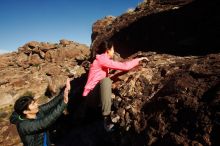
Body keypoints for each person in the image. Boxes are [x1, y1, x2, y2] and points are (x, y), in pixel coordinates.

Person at [82, 41, 148, 131]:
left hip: (91, 95)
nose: (114, 52)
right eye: (113, 49)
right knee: (106, 81)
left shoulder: (101, 59)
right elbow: (124, 66)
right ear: (108, 50)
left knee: (106, 80)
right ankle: (106, 119)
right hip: (91, 97)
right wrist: (138, 60)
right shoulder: (102, 59)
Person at [10, 78, 71, 146]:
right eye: (33, 104)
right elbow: (45, 122)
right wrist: (64, 102)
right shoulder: (24, 125)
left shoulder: (37, 112)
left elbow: (50, 104)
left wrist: (64, 92)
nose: (37, 105)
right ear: (25, 111)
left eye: (35, 102)